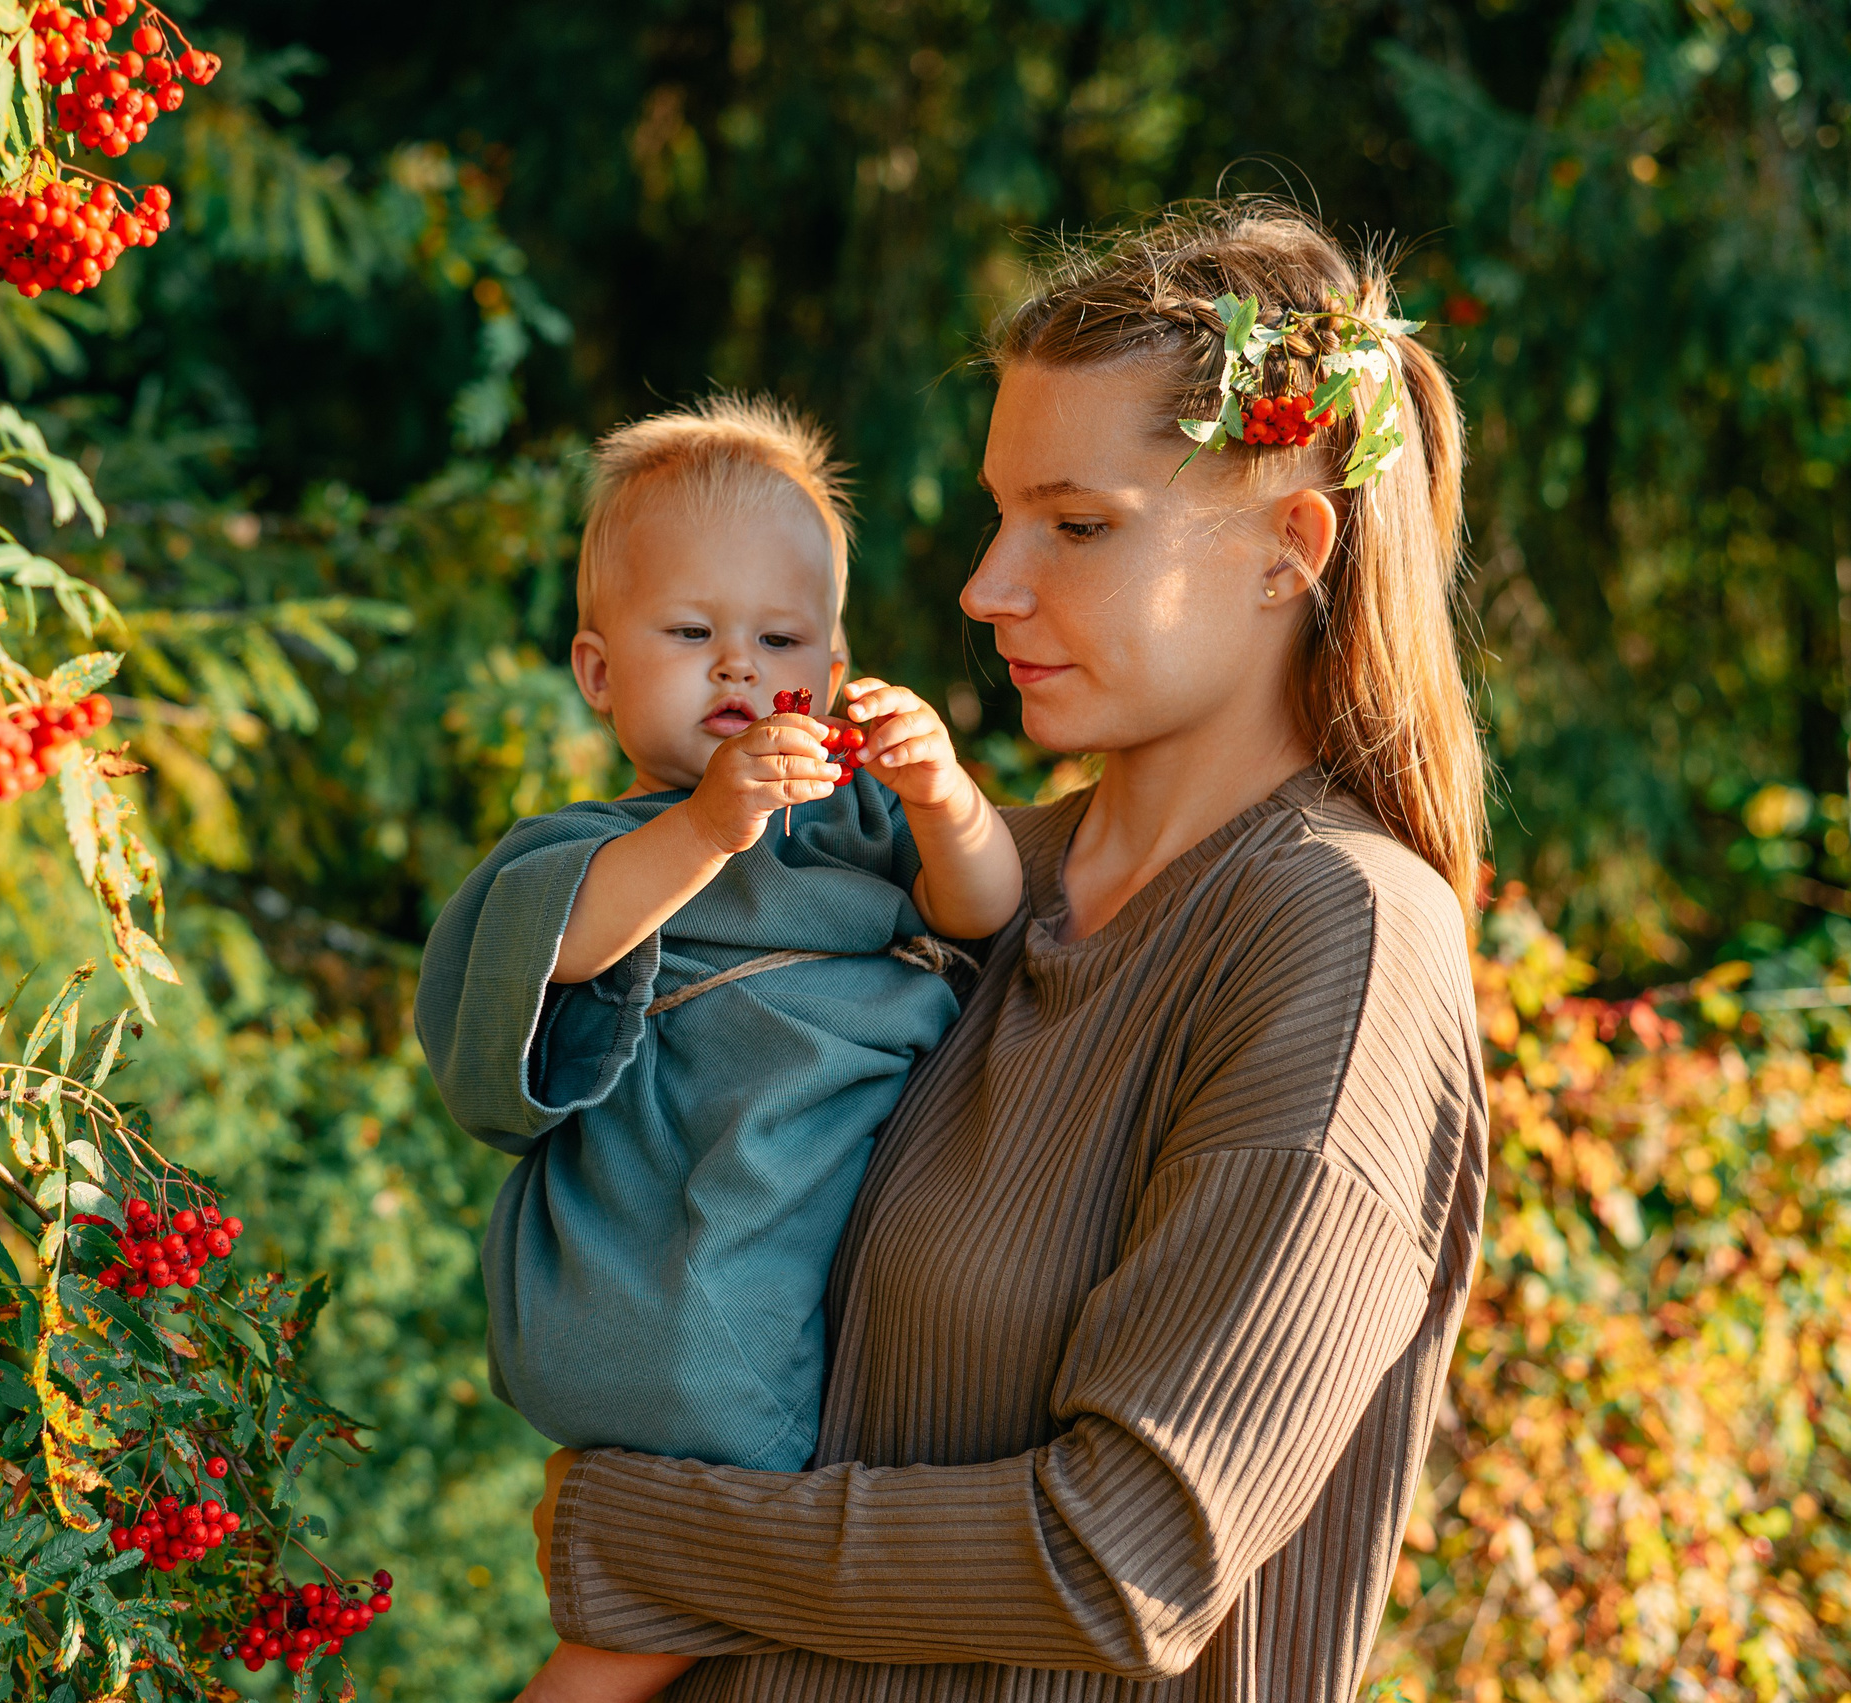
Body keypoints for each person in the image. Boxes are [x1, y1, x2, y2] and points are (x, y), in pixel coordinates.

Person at [517, 200, 1492, 1703]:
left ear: (1286, 551)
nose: (985, 586)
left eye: (1077, 524)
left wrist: (639, 1536)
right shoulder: (958, 877)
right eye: (998, 513)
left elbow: (1126, 1560)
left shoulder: (1340, 945)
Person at [414, 395, 1026, 1702]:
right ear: (598, 672)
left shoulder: (861, 821)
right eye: (691, 636)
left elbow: (981, 910)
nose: (741, 671)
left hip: (792, 1231)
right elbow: (562, 944)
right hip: (676, 1262)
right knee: (689, 1583)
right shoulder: (594, 845)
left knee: (703, 1606)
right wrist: (709, 828)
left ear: (839, 655)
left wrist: (945, 798)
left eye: (781, 639)